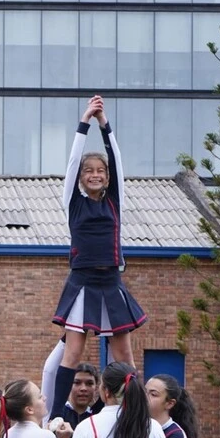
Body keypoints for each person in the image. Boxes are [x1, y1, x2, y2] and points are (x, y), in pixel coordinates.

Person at [50, 96, 146, 408]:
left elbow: (116, 159)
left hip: (111, 283)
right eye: (88, 171)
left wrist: (104, 124)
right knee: (73, 352)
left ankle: (133, 411)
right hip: (82, 283)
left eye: (100, 171)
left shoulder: (115, 202)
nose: (95, 174)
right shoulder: (73, 203)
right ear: (80, 177)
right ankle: (55, 414)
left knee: (124, 355)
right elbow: (71, 161)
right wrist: (84, 123)